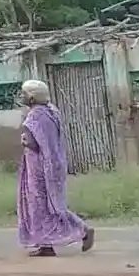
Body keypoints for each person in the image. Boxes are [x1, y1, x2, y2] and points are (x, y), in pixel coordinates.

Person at [17, 79, 95, 257]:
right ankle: (47, 244)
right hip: (54, 163)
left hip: (39, 166)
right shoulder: (51, 111)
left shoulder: (35, 115)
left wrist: (24, 141)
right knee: (51, 205)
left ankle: (80, 231)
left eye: (24, 93)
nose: (21, 96)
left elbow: (34, 143)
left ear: (32, 97)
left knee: (41, 205)